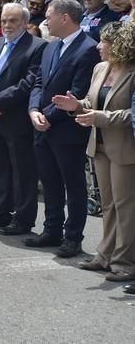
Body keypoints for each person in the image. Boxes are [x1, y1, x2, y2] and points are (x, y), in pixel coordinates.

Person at [53, 22, 135, 281]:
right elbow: (91, 102)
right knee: (108, 205)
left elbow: (132, 114)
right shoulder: (101, 68)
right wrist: (76, 105)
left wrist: (101, 117)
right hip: (98, 144)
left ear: (120, 44)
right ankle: (104, 255)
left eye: (104, 42)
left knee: (126, 207)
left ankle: (125, 262)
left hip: (124, 147)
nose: (98, 46)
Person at [25, 0, 101, 257]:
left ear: (65, 17)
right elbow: (38, 82)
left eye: (49, 15)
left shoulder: (88, 49)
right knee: (50, 183)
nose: (45, 20)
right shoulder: (50, 47)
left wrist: (47, 116)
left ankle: (73, 237)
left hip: (67, 130)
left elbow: (79, 92)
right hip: (43, 127)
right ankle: (52, 229)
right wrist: (34, 111)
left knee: (73, 185)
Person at [0, 3, 47, 235]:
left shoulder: (37, 47)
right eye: (4, 20)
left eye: (12, 21)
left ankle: (23, 220)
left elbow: (29, 81)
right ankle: (0, 212)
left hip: (16, 118)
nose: (6, 25)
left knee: (23, 170)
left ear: (24, 23)